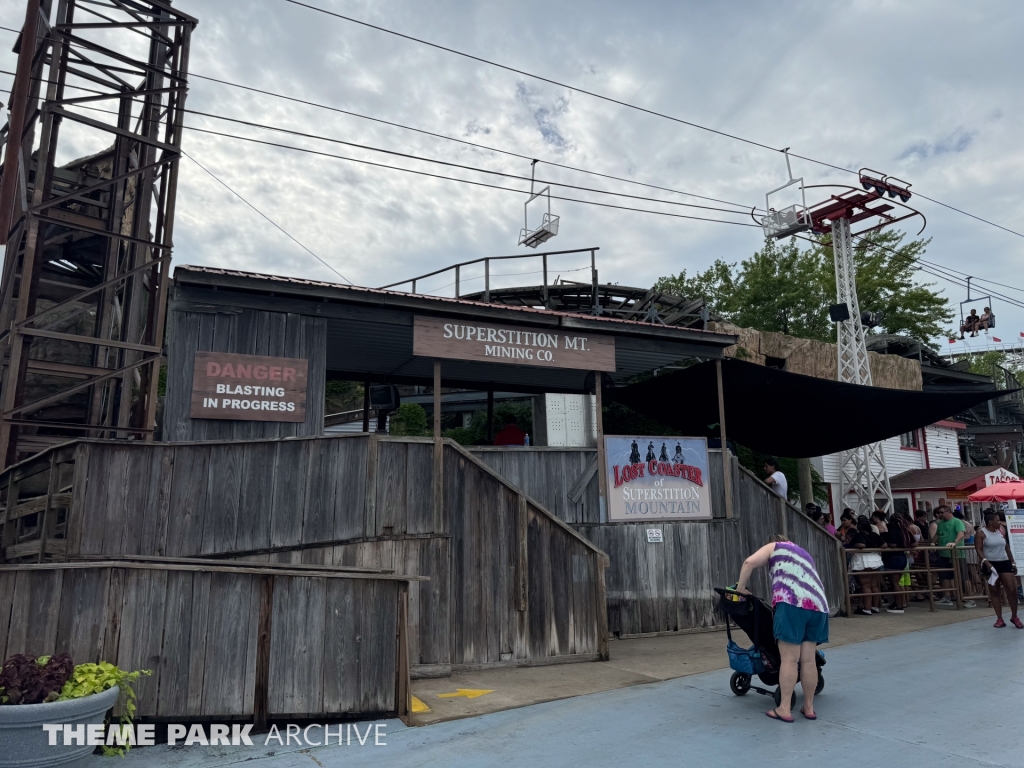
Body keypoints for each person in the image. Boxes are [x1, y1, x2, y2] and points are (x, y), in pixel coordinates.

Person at [735, 535, 829, 723]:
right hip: (818, 605)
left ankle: (784, 708)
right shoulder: (804, 554)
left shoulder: (774, 546)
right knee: (809, 660)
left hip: (791, 603)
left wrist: (740, 588)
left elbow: (748, 563)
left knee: (789, 659)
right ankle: (809, 707)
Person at [975, 511, 1021, 628]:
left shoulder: (1000, 531)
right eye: (997, 520)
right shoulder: (981, 533)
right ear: (991, 522)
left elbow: (1006, 547)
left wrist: (1013, 562)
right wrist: (986, 562)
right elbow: (978, 549)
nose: (999, 522)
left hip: (1004, 562)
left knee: (1012, 590)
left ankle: (1014, 616)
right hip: (990, 562)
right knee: (995, 591)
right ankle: (999, 618)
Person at [848, 520, 885, 615]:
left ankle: (867, 608)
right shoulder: (874, 535)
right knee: (874, 585)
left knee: (866, 585)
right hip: (875, 559)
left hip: (862, 560)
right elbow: (884, 545)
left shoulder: (859, 535)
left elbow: (861, 545)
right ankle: (875, 607)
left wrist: (855, 546)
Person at [882, 513, 915, 612]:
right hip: (903, 557)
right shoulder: (905, 530)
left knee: (895, 583)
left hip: (893, 557)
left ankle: (898, 605)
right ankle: (899, 603)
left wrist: (886, 543)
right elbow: (915, 543)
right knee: (898, 582)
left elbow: (893, 544)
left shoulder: (892, 530)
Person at [934, 505, 967, 606]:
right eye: (939, 513)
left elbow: (961, 534)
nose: (940, 514)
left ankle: (969, 598)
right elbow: (938, 534)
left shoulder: (957, 521)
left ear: (948, 512)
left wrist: (955, 542)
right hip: (943, 554)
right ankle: (947, 597)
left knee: (963, 577)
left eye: (941, 512)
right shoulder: (940, 523)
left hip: (957, 554)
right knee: (945, 576)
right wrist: (932, 543)